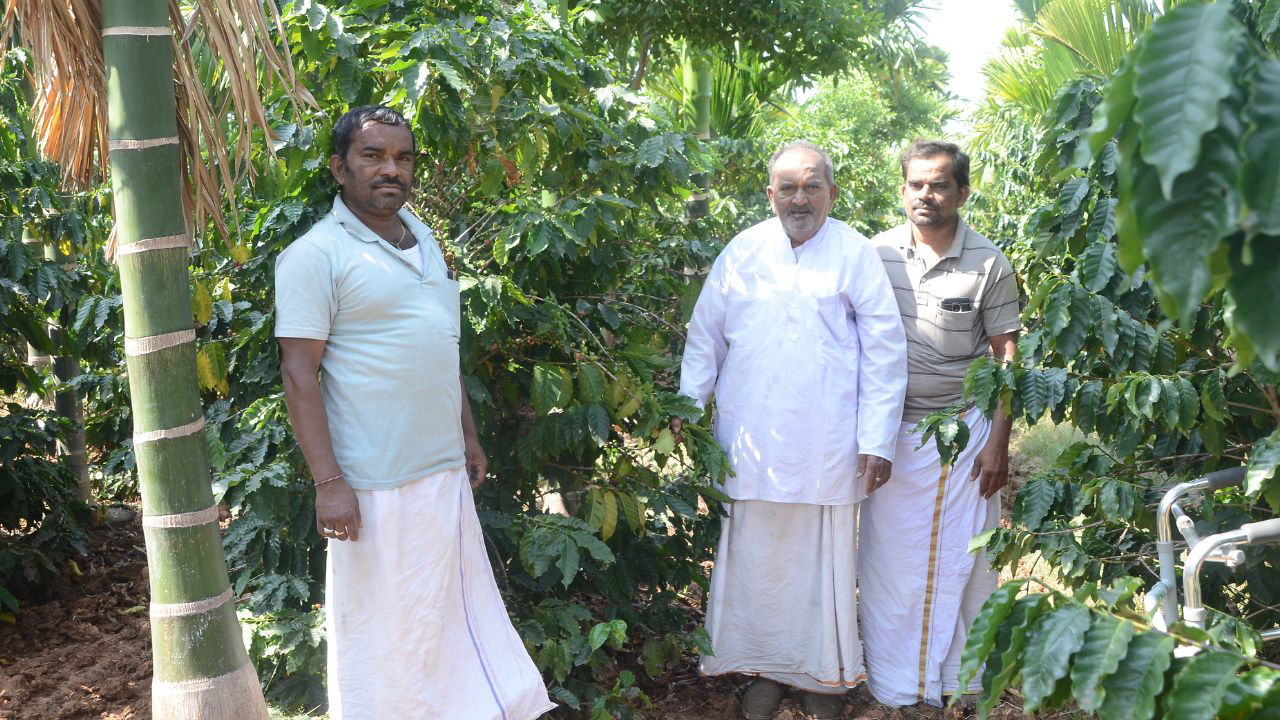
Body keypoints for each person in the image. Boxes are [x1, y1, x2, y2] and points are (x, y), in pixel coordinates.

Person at [275, 105, 555, 720]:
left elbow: (439, 343)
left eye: (402, 157)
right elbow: (299, 374)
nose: (390, 170)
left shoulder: (419, 235)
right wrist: (329, 484)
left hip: (441, 469)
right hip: (375, 482)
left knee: (447, 615)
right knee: (385, 629)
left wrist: (469, 434)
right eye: (372, 156)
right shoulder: (315, 256)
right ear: (338, 168)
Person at [677, 141, 908, 720]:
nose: (799, 198)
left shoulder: (854, 254)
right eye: (788, 187)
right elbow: (706, 336)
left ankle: (823, 681)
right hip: (749, 439)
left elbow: (885, 351)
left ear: (832, 191)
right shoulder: (742, 251)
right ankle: (759, 670)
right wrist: (686, 409)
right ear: (770, 193)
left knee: (819, 564)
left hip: (826, 443)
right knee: (755, 560)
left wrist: (876, 439)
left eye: (811, 186)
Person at [860, 140, 1021, 708]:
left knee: (964, 561)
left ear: (961, 191)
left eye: (939, 185)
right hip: (888, 439)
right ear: (902, 190)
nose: (926, 195)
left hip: (962, 433)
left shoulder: (989, 261)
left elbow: (1006, 356)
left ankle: (960, 681)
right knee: (887, 566)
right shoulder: (872, 254)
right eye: (916, 185)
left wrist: (999, 442)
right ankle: (895, 684)